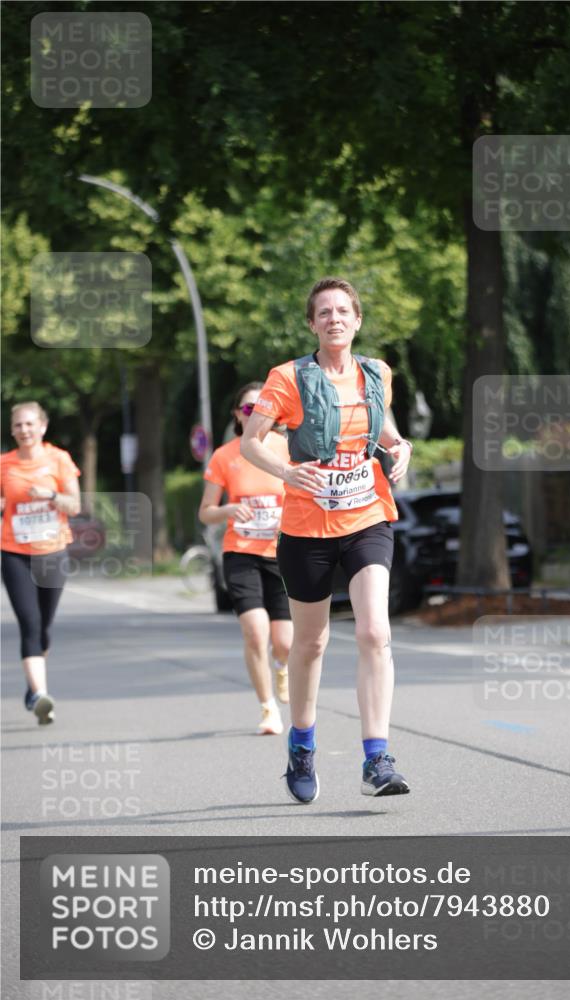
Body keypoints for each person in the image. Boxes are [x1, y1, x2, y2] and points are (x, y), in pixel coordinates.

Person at [241, 277, 413, 802]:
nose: (335, 318)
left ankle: (377, 758)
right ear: (312, 323)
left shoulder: (376, 372)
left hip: (367, 517)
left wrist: (400, 446)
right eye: (324, 312)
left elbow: (382, 429)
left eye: (344, 311)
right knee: (311, 642)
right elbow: (252, 443)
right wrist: (287, 473)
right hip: (307, 528)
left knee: (373, 633)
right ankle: (302, 744)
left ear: (357, 320)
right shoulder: (288, 378)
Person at [199, 382, 293, 736]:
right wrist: (228, 509)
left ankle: (282, 665)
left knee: (285, 641)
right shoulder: (225, 456)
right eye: (247, 408)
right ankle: (268, 708)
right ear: (238, 415)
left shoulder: (286, 449)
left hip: (282, 554)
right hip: (240, 553)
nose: (254, 413)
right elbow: (205, 512)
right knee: (255, 633)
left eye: (261, 407)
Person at [1, 401, 81, 725]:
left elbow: (74, 505)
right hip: (13, 552)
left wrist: (49, 496)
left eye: (30, 424)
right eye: (18, 425)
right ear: (12, 429)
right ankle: (42, 695)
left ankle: (32, 687)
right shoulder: (4, 464)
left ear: (42, 427)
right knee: (30, 624)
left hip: (52, 550)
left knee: (44, 626)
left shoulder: (58, 459)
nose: (24, 430)